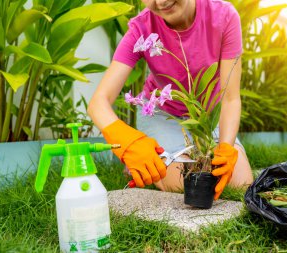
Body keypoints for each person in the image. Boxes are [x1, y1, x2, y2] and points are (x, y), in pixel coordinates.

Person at [87, 0, 254, 200]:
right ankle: (149, 161)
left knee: (241, 181)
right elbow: (98, 102)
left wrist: (226, 147)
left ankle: (156, 161)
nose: (160, 2)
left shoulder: (223, 17)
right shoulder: (141, 28)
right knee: (183, 181)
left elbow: (230, 98)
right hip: (164, 116)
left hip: (209, 117)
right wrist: (129, 142)